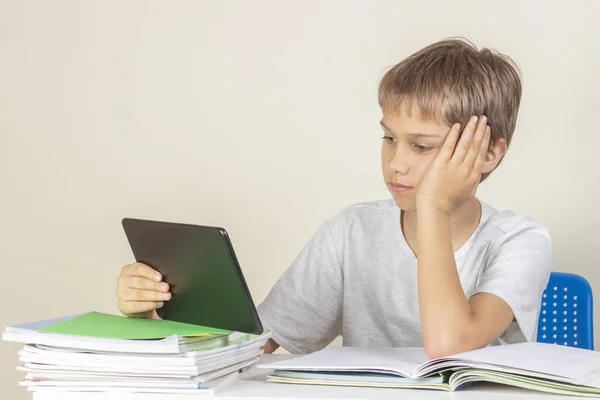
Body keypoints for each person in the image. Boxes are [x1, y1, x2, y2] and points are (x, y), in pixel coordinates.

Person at [115, 38, 552, 359]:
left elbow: (449, 345)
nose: (395, 163)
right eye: (388, 138)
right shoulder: (352, 231)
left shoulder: (521, 241)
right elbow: (250, 348)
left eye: (421, 147)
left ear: (489, 153)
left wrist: (433, 207)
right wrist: (153, 315)